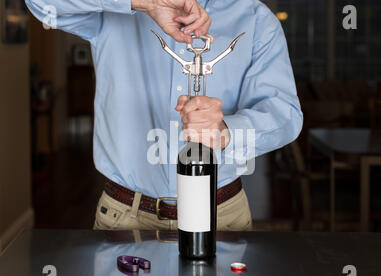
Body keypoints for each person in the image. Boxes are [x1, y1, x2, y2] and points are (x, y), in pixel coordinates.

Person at [26, 0, 303, 231]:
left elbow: (285, 114)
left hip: (222, 216)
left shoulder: (256, 19)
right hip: (125, 218)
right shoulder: (114, 11)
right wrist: (146, 3)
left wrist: (227, 131)